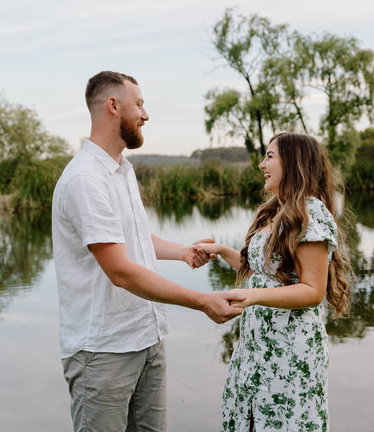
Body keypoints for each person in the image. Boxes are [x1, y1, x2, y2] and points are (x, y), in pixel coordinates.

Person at [52, 70, 245, 432]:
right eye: (139, 104)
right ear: (113, 106)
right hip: (104, 352)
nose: (146, 114)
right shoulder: (85, 179)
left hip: (147, 339)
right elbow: (121, 271)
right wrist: (202, 301)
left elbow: (134, 236)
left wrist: (183, 252)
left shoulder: (122, 170)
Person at [197, 132, 352, 432]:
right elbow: (266, 272)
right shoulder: (275, 211)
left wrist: (253, 297)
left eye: (269, 156)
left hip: (289, 351)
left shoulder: (310, 215)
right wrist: (222, 250)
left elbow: (312, 290)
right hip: (256, 347)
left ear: (293, 163)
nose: (261, 165)